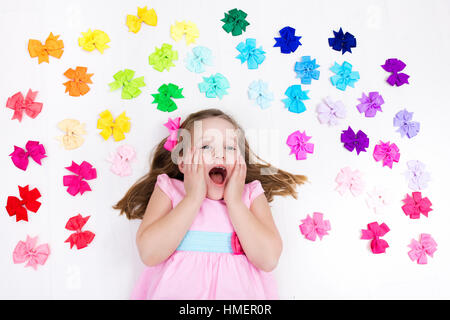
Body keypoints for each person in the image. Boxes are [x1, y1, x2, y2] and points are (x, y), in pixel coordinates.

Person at [114, 108, 307, 299]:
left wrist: (235, 202)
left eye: (230, 148)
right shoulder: (170, 190)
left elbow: (269, 259)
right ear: (182, 161)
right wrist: (193, 198)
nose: (219, 155)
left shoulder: (250, 196)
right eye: (206, 147)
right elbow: (149, 254)